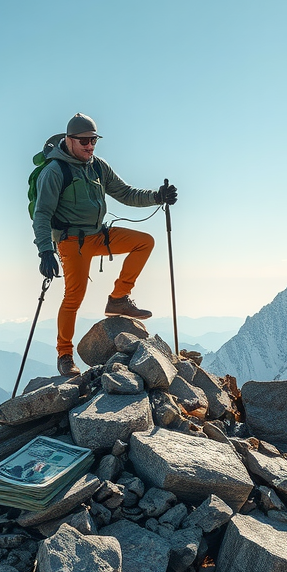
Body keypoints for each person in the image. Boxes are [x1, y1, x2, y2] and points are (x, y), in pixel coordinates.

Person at [31, 112, 177, 377]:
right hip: (72, 241)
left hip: (98, 235)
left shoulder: (98, 166)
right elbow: (42, 214)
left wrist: (157, 196)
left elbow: (126, 193)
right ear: (69, 139)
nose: (90, 146)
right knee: (73, 297)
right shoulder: (55, 171)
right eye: (84, 141)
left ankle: (118, 298)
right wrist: (45, 250)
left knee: (144, 242)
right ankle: (64, 355)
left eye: (94, 141)